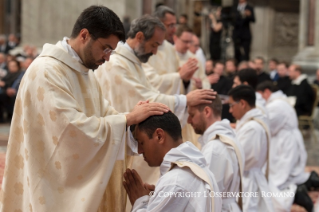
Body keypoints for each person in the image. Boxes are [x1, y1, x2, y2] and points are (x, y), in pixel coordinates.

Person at [0, 6, 170, 212]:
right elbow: (69, 131)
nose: (108, 57)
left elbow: (105, 114)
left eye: (112, 51)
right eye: (105, 48)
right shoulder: (46, 71)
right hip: (51, 188)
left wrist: (133, 129)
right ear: (84, 35)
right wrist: (126, 119)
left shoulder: (84, 72)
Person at [94, 15, 216, 210]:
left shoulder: (133, 64)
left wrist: (145, 201)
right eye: (154, 44)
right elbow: (144, 99)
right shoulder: (116, 64)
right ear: (140, 37)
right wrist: (184, 99)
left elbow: (151, 94)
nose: (156, 51)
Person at [123, 111, 222, 212]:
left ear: (159, 136)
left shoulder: (174, 182)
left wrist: (140, 202)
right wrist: (156, 200)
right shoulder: (201, 169)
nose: (140, 151)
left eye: (141, 142)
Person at [257, 81, 319, 212]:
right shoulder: (280, 101)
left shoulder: (276, 105)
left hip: (285, 141)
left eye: (260, 95)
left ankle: (296, 193)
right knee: (288, 172)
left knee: (280, 175)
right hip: (286, 139)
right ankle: (308, 181)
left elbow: (269, 127)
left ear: (267, 92)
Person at [187, 95, 245, 211]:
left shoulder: (214, 148)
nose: (189, 121)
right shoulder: (230, 135)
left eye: (192, 115)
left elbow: (207, 196)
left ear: (207, 111)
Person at [228, 85, 274, 211]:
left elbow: (239, 159)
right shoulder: (254, 121)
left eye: (232, 105)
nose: (230, 111)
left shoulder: (252, 128)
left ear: (242, 103)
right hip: (249, 177)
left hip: (248, 181)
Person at [143, 6, 198, 95]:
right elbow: (150, 82)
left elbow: (177, 86)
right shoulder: (144, 48)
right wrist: (179, 75)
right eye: (171, 25)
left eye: (175, 25)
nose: (175, 29)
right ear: (159, 24)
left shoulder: (170, 49)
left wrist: (185, 80)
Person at [174, 24, 210, 93]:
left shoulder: (195, 59)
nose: (188, 45)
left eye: (190, 42)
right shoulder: (168, 56)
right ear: (175, 38)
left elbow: (205, 81)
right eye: (185, 41)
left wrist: (201, 85)